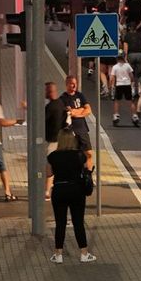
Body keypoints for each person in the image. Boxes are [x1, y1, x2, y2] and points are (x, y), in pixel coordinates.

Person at [47, 129, 96, 263]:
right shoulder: (80, 155)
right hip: (77, 191)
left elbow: (48, 174)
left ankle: (58, 255)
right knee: (78, 222)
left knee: (60, 223)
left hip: (59, 190)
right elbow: (86, 171)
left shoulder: (53, 156)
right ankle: (84, 253)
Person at [58, 75, 93, 168]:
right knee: (73, 156)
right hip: (70, 131)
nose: (74, 86)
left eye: (75, 84)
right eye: (72, 84)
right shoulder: (63, 98)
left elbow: (88, 110)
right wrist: (81, 109)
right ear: (67, 84)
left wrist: (78, 113)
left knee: (89, 153)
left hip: (82, 129)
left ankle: (88, 175)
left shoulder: (80, 95)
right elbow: (69, 112)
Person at [109, 54, 136, 127]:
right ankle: (134, 115)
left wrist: (110, 86)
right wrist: (133, 82)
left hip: (119, 85)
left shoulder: (115, 67)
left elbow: (112, 78)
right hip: (127, 84)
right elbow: (132, 76)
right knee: (130, 101)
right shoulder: (127, 66)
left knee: (117, 101)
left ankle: (116, 115)